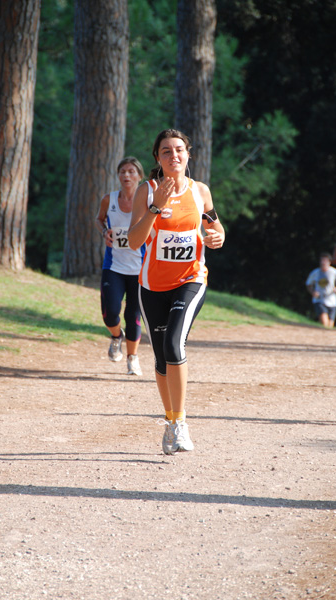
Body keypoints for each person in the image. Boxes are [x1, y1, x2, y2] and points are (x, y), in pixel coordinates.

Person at [128, 128, 225, 454]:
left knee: (173, 343)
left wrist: (217, 236)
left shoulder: (200, 191)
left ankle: (181, 423)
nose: (174, 156)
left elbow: (214, 225)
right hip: (152, 286)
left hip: (191, 279)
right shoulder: (147, 190)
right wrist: (156, 207)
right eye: (167, 151)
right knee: (160, 359)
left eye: (179, 150)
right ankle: (170, 422)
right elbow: (135, 241)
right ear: (158, 157)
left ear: (188, 155)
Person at [96, 157, 145, 375]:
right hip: (114, 266)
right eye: (123, 171)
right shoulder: (109, 199)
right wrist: (104, 232)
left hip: (140, 270)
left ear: (139, 177)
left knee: (133, 316)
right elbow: (99, 220)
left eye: (132, 171)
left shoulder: (146, 202)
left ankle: (132, 358)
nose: (126, 175)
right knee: (110, 313)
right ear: (118, 176)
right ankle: (116, 336)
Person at [305, 253, 336, 328]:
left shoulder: (334, 272)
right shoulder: (315, 273)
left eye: (325, 261)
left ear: (330, 262)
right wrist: (312, 292)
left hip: (332, 301)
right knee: (324, 323)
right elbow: (308, 284)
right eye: (322, 260)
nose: (323, 262)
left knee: (330, 326)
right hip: (319, 300)